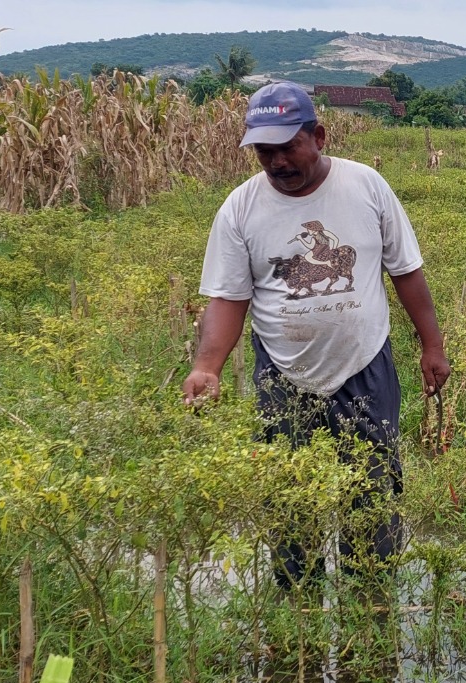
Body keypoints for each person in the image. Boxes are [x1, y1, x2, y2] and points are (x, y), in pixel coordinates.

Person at [183, 82, 449, 589]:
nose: (278, 161)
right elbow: (229, 299)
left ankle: (370, 602)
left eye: (288, 147)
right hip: (283, 373)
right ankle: (296, 610)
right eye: (265, 152)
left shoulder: (366, 187)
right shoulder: (240, 209)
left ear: (319, 136)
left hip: (365, 368)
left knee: (371, 495)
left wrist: (432, 346)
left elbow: (406, 272)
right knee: (288, 495)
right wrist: (207, 367)